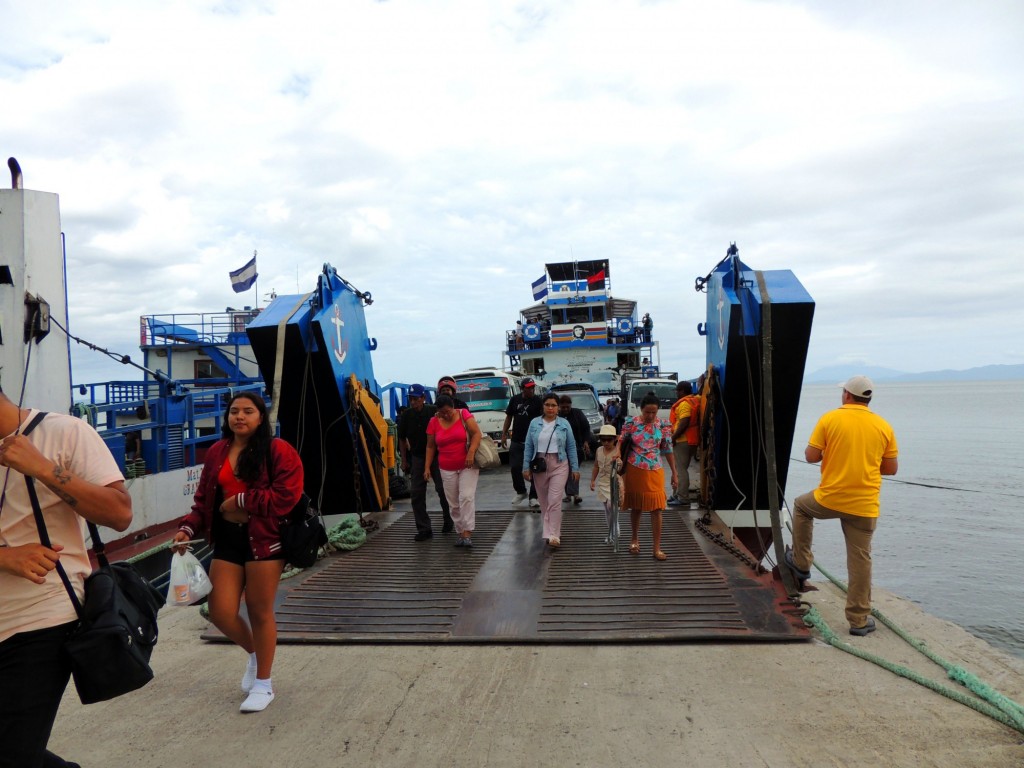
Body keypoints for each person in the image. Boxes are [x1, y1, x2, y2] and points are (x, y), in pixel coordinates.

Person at [0, 385, 133, 767]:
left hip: (43, 615)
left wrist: (42, 468)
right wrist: (6, 558)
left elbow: (119, 514)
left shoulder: (64, 432)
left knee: (13, 754)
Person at [171, 391, 303, 713]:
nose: (239, 417)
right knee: (220, 611)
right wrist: (188, 527)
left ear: (261, 418)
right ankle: (256, 655)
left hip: (264, 539)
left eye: (247, 411)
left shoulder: (278, 450)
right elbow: (204, 500)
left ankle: (264, 684)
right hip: (228, 538)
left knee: (259, 610)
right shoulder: (218, 451)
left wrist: (241, 502)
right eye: (234, 412)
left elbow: (288, 496)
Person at [785, 376, 899, 637]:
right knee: (860, 560)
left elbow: (811, 456)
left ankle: (802, 561)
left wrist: (832, 453)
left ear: (847, 395)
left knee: (801, 506)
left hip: (829, 499)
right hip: (865, 505)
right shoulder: (883, 425)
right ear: (868, 398)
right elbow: (890, 469)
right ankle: (859, 621)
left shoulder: (830, 418)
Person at [619, 391, 677, 561]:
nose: (650, 415)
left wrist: (675, 472)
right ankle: (634, 540)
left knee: (657, 508)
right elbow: (621, 442)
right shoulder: (631, 423)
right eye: (647, 412)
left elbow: (668, 450)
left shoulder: (664, 426)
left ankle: (656, 548)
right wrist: (616, 455)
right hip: (634, 467)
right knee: (636, 506)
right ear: (640, 409)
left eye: (654, 412)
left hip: (655, 469)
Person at [523, 393, 580, 549]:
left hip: (560, 463)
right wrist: (525, 467)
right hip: (539, 464)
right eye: (547, 405)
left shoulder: (564, 424)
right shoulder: (535, 423)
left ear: (558, 408)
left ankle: (554, 534)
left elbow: (571, 446)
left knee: (554, 500)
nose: (550, 408)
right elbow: (528, 446)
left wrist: (575, 468)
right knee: (544, 501)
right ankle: (547, 532)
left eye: (553, 405)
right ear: (543, 406)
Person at [397, 384, 453, 542]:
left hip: (436, 456)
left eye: (416, 399)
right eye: (411, 399)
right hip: (417, 457)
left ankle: (448, 519)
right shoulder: (406, 416)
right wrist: (404, 460)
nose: (413, 402)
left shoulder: (432, 411)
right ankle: (424, 528)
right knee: (416, 494)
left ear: (423, 398)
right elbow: (401, 438)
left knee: (442, 490)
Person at [424, 394, 482, 548]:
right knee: (453, 503)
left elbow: (477, 434)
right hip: (446, 467)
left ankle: (467, 533)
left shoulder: (463, 414)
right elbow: (430, 446)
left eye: (448, 411)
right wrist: (427, 467)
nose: (446, 415)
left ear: (453, 407)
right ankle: (460, 531)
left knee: (466, 497)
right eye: (442, 412)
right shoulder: (433, 422)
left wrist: (471, 452)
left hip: (467, 465)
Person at [500, 377, 543, 508]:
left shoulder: (538, 401)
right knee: (515, 467)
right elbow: (509, 417)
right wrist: (504, 433)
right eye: (529, 387)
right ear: (522, 388)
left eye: (532, 387)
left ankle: (534, 496)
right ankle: (521, 491)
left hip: (534, 440)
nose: (531, 389)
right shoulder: (515, 400)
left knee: (535, 469)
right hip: (517, 439)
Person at [667, 381, 700, 506]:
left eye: (677, 391)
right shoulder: (694, 400)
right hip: (691, 439)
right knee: (680, 468)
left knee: (680, 470)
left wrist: (673, 437)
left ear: (682, 391)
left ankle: (683, 498)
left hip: (683, 440)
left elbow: (684, 422)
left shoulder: (685, 404)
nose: (676, 393)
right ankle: (676, 494)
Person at [557, 394, 593, 505]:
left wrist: (586, 442)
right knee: (565, 471)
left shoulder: (577, 413)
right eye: (563, 407)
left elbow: (586, 428)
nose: (565, 409)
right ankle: (569, 494)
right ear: (559, 406)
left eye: (567, 407)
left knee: (574, 469)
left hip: (577, 447)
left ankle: (575, 494)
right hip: (561, 448)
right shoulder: (556, 416)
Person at [590, 424, 622, 543]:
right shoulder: (599, 450)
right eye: (603, 439)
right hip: (602, 482)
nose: (606, 442)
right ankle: (611, 531)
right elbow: (595, 466)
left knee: (611, 506)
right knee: (607, 509)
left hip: (614, 482)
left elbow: (621, 467)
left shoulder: (617, 451)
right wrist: (593, 480)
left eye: (609, 439)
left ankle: (615, 527)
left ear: (614, 439)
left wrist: (618, 462)